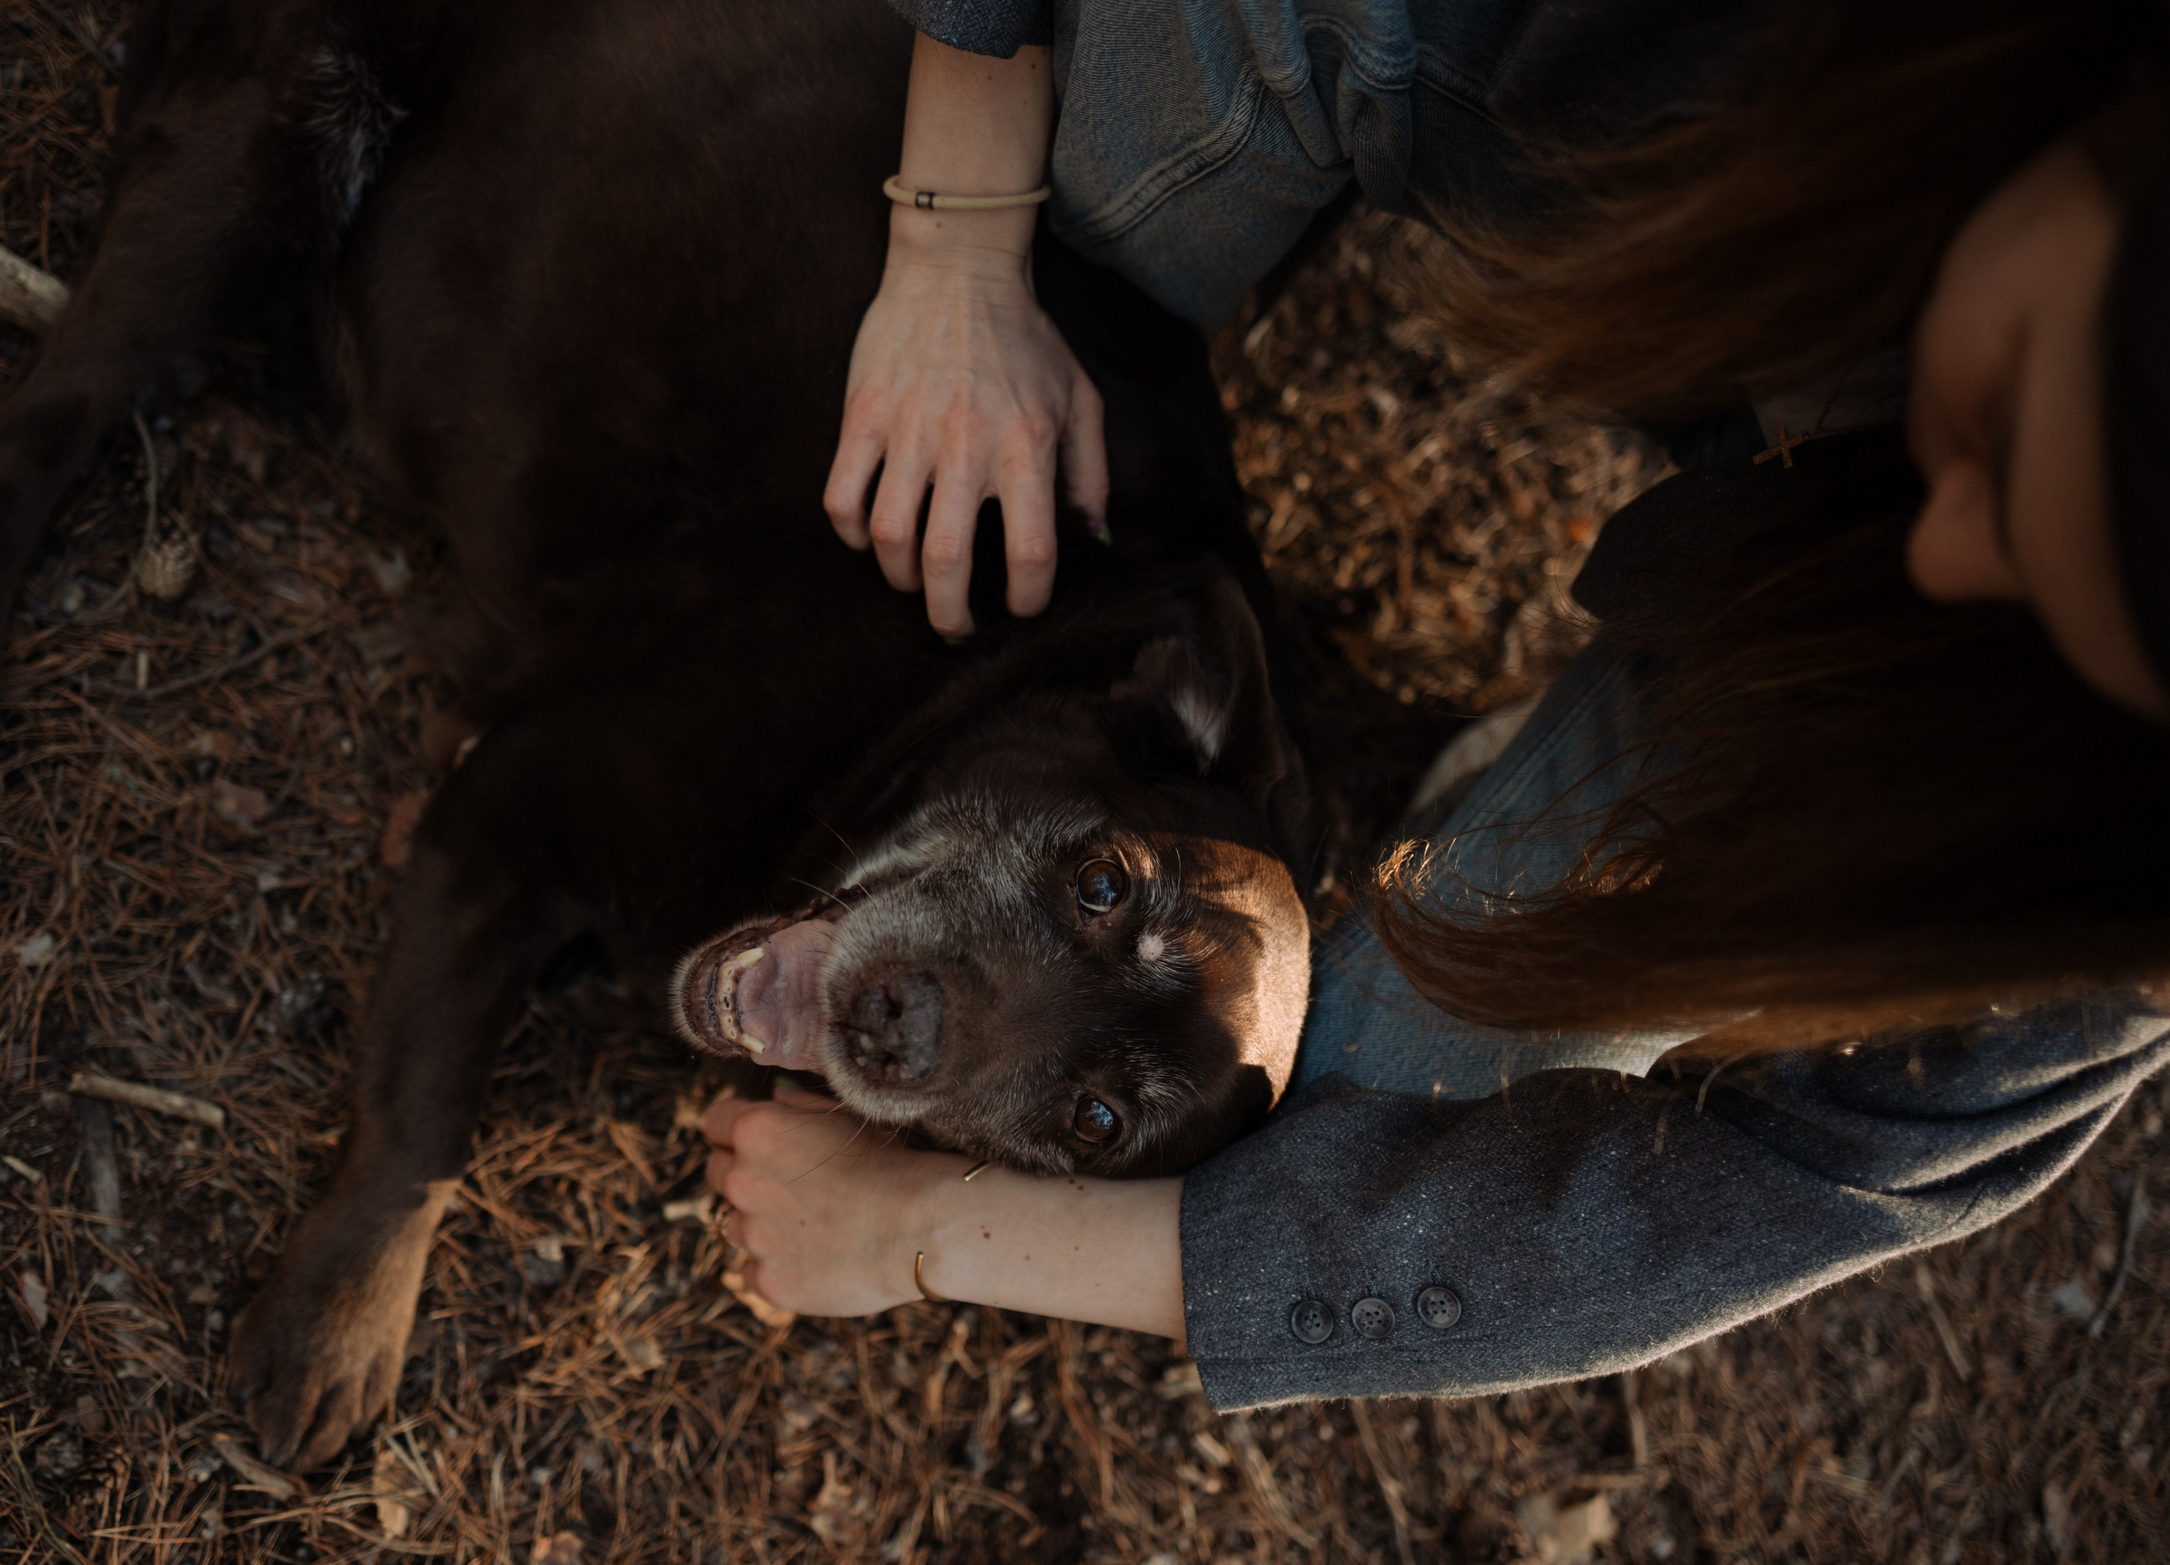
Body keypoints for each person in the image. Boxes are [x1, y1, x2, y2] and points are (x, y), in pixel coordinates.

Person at [706, 0, 2170, 1410]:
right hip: (1699, 116)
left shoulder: (2099, 891)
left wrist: (924, 1230)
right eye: (1998, 423)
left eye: (2058, 625)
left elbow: (1694, 1219)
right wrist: (957, 243)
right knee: (1035, 267)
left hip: (1849, 714)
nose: (1939, 545)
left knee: (1331, 1102)